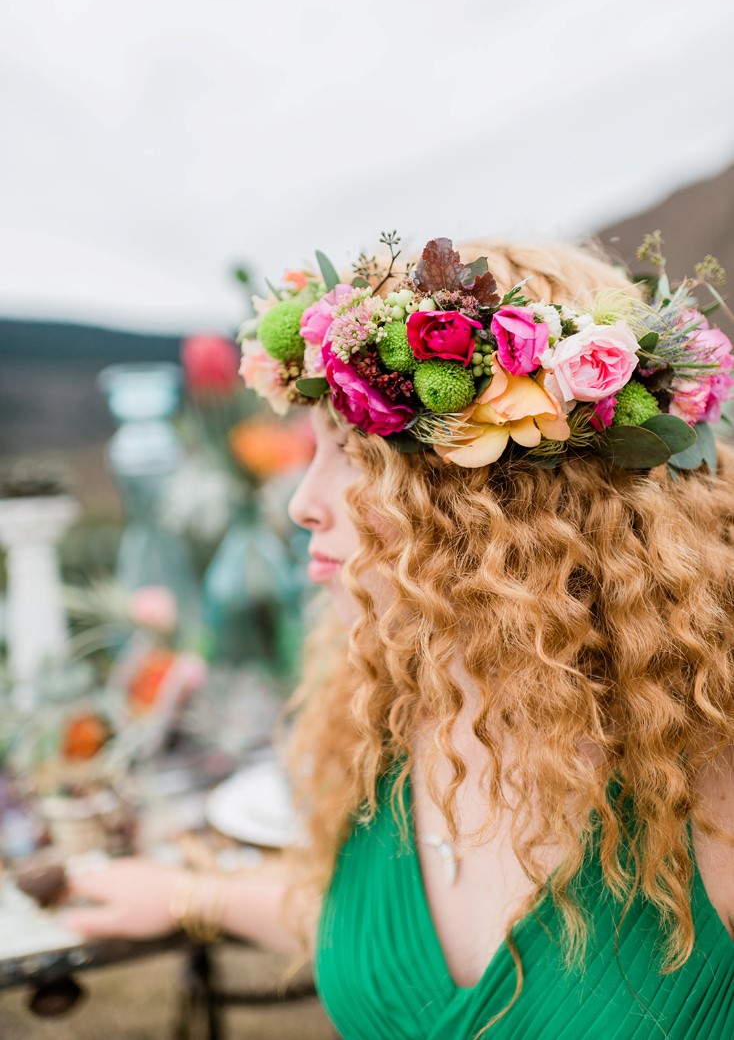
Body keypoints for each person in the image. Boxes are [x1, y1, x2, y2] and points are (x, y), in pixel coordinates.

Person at [63, 235, 734, 1038]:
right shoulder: (385, 709)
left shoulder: (707, 773)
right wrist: (191, 897)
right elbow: (366, 938)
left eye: (351, 455)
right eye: (314, 453)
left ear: (498, 494)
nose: (303, 503)